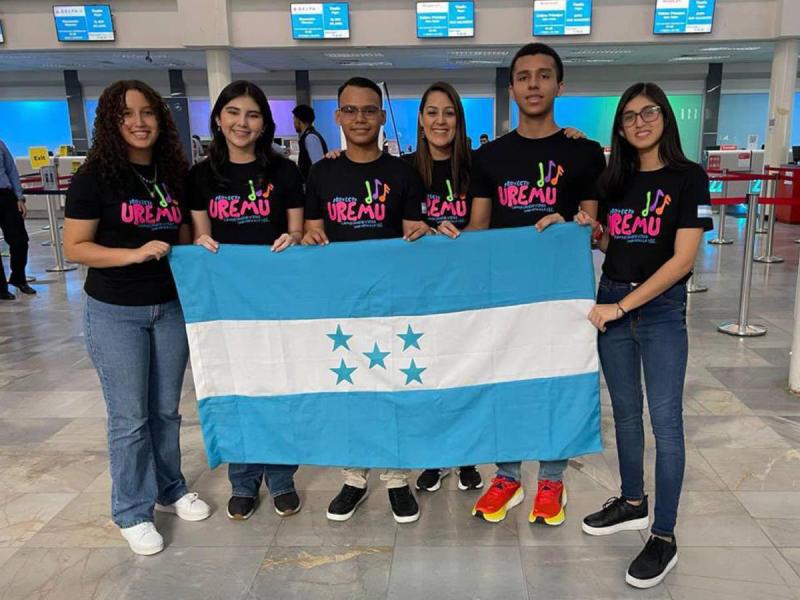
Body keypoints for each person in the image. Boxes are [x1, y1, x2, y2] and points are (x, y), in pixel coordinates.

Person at [442, 43, 606, 526]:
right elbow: (479, 229)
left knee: (558, 380)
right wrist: (445, 238)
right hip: (505, 294)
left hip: (562, 293)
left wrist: (581, 222)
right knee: (507, 380)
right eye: (524, 76)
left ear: (560, 85)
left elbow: (593, 228)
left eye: (543, 75)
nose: (533, 84)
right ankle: (508, 474)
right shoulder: (489, 156)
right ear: (511, 88)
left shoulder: (584, 152)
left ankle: (552, 478)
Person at [63, 80, 211, 556]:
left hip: (168, 308)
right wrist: (134, 253)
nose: (140, 122)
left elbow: (185, 235)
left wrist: (199, 247)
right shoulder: (95, 178)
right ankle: (131, 510)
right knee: (129, 418)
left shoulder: (172, 173)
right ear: (111, 121)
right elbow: (75, 248)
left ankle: (170, 489)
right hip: (115, 312)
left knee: (166, 412)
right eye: (128, 114)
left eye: (148, 112)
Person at [577, 83, 712, 589]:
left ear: (665, 117)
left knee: (667, 423)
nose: (639, 122)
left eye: (648, 112)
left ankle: (664, 536)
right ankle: (633, 502)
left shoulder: (689, 178)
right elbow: (622, 239)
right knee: (626, 415)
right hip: (615, 299)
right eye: (629, 116)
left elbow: (682, 260)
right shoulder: (616, 178)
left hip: (655, 312)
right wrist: (596, 231)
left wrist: (620, 306)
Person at [303, 76, 430, 524]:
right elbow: (310, 232)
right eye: (351, 110)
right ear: (338, 116)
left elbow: (413, 235)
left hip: (393, 304)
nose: (360, 118)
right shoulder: (321, 173)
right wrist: (308, 236)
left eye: (369, 110)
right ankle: (354, 477)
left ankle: (397, 479)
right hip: (341, 306)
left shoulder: (402, 174)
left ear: (381, 116)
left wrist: (421, 234)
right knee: (350, 392)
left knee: (394, 388)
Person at [188, 80, 305, 521]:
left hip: (276, 301)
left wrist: (290, 239)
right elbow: (201, 237)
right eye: (233, 113)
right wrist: (202, 245)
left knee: (277, 387)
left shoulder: (285, 172)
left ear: (263, 123)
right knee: (236, 389)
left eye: (252, 114)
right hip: (227, 304)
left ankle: (281, 480)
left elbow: (296, 232)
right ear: (218, 119)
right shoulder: (200, 177)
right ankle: (243, 480)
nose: (242, 122)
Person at [402, 81, 483, 494]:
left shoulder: (478, 166)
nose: (439, 120)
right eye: (431, 112)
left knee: (464, 372)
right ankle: (434, 456)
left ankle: (466, 455)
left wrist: (572, 138)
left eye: (448, 112)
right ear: (420, 119)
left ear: (458, 118)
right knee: (429, 375)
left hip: (465, 290)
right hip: (419, 293)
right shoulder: (402, 168)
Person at [0, 137, 35, 299]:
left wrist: (19, 198)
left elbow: (11, 170)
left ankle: (18, 278)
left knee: (19, 240)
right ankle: (1, 289)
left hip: (5, 196)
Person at [292, 104, 328, 180]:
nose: (293, 123)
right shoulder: (306, 136)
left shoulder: (310, 138)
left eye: (294, 119)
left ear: (299, 120)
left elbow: (318, 167)